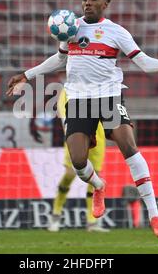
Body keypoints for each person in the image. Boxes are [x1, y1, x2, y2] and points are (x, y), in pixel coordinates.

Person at [7, 0, 158, 238]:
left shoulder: (116, 32)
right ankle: (99, 186)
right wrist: (26, 75)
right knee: (79, 163)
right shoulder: (71, 28)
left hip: (109, 98)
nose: (87, 3)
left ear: (105, 3)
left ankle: (154, 215)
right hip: (78, 101)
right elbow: (59, 59)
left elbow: (143, 63)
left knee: (129, 147)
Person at [47, 87, 108, 232]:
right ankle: (56, 215)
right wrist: (66, 124)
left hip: (98, 134)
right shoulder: (70, 86)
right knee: (70, 174)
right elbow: (62, 108)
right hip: (76, 132)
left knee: (95, 177)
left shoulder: (102, 84)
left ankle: (92, 222)